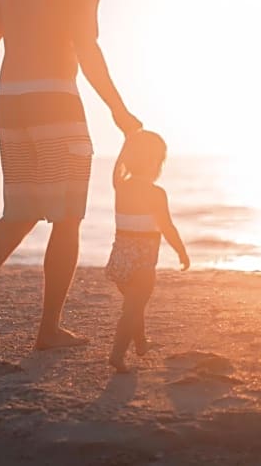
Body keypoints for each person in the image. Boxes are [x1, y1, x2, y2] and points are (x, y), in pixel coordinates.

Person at [0, 0, 142, 350]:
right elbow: (87, 50)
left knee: (20, 211)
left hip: (10, 103)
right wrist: (118, 109)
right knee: (68, 217)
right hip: (56, 101)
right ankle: (48, 331)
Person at [105, 130, 190, 372]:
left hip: (119, 260)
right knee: (132, 309)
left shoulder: (120, 186)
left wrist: (126, 142)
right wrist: (181, 252)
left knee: (134, 305)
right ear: (156, 163)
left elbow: (117, 167)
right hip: (142, 263)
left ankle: (141, 343)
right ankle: (117, 354)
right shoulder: (156, 193)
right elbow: (167, 227)